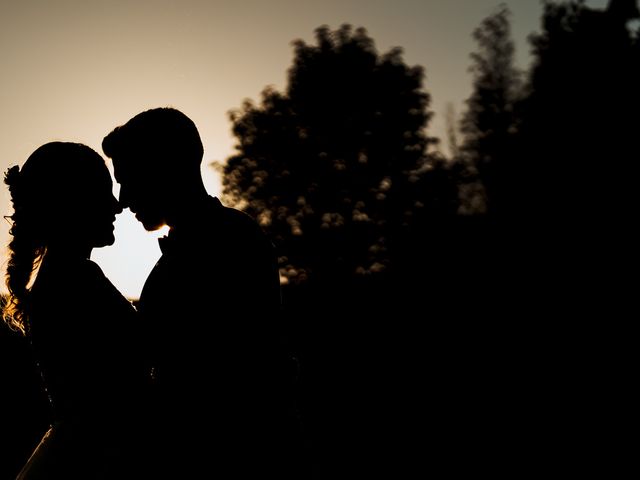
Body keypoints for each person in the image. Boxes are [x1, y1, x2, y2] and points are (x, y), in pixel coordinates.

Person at [102, 107, 306, 478]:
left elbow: (225, 379)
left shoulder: (229, 242)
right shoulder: (222, 238)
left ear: (164, 167)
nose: (123, 199)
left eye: (129, 179)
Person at [2, 142, 149, 479]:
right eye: (103, 193)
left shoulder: (63, 276)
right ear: (71, 203)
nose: (116, 205)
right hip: (90, 466)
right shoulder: (76, 280)